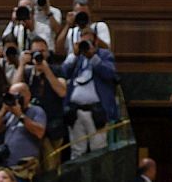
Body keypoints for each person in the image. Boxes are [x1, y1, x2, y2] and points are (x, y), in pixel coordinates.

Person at [61, 28, 117, 158]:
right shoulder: (77, 58)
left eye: (89, 42)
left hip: (96, 112)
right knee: (76, 152)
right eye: (83, 42)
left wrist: (93, 57)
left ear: (96, 41)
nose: (86, 45)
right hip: (75, 111)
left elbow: (110, 74)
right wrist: (73, 55)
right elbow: (63, 73)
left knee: (98, 152)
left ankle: (97, 179)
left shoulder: (104, 55)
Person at [0, 82, 45, 182]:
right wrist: (3, 110)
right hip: (8, 168)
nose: (14, 99)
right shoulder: (10, 114)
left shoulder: (36, 111)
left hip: (25, 168)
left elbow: (39, 132)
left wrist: (20, 115)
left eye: (16, 96)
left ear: (27, 96)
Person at [15, 36, 65, 152]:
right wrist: (21, 65)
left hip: (53, 126)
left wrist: (46, 70)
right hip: (32, 125)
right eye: (36, 52)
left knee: (51, 165)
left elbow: (62, 92)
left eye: (42, 51)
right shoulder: (27, 73)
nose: (39, 55)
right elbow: (14, 90)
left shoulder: (57, 70)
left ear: (47, 53)